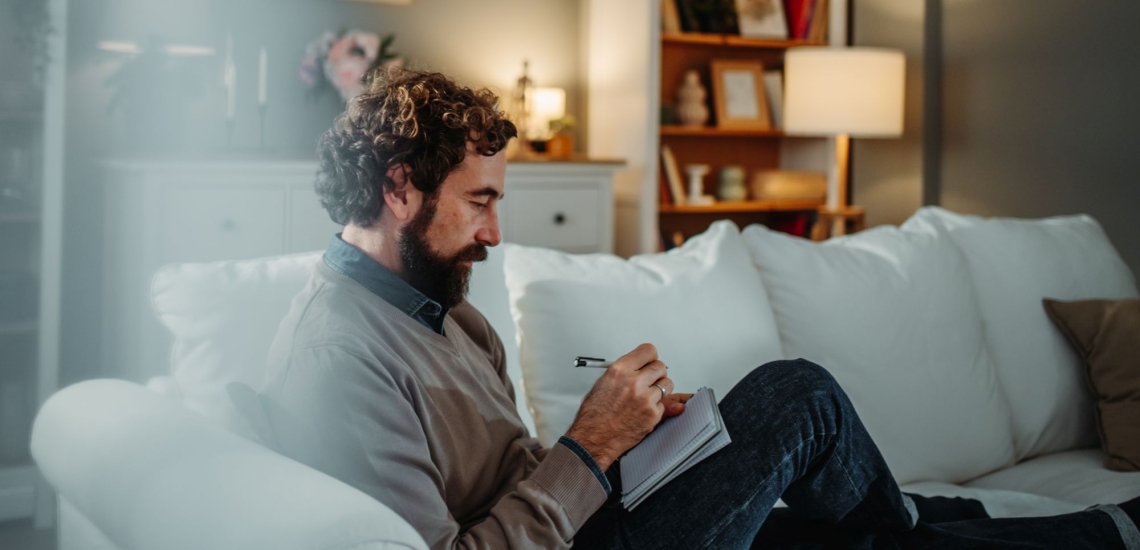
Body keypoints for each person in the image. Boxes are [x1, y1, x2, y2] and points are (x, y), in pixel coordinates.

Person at [257, 67, 1140, 550]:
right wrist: (589, 446)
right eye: (478, 201)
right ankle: (926, 517)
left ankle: (1104, 529)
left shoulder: (444, 310)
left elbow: (516, 473)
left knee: (822, 533)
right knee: (797, 396)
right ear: (400, 187)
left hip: (599, 524)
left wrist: (633, 444)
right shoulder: (340, 356)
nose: (495, 232)